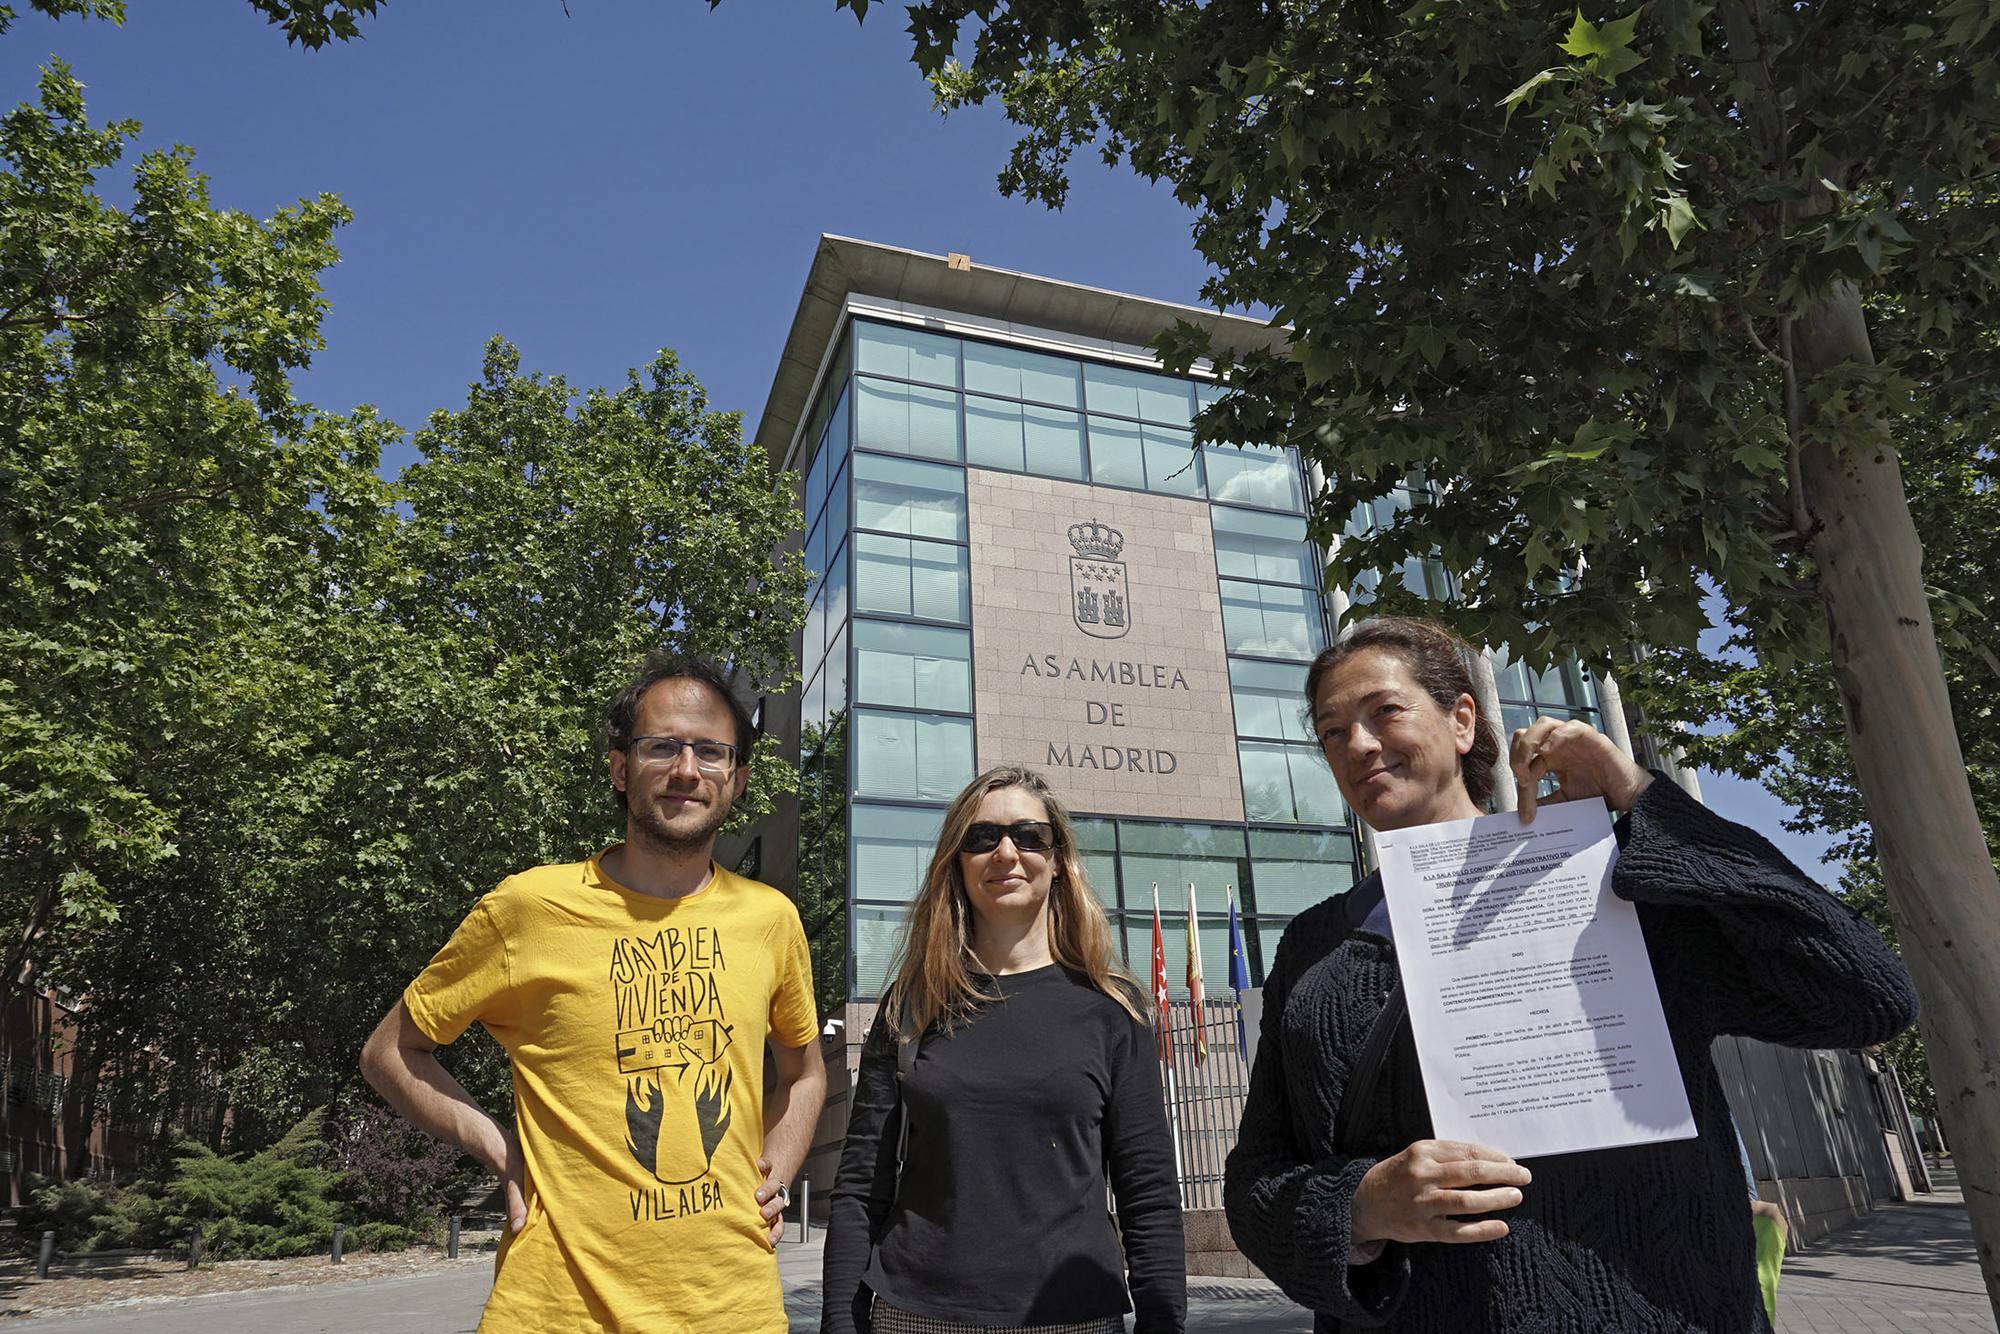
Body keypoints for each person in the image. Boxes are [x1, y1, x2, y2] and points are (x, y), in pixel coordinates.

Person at [1224, 616, 1917, 1334]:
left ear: (1463, 719)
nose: (1358, 745)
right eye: (1332, 731)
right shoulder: (1315, 945)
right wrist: (1362, 1206)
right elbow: (1257, 1183)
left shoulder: (1611, 883)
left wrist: (1642, 795)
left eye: (1384, 712)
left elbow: (1865, 994)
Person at [360, 653, 826, 1333]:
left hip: (733, 1309)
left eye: (711, 752)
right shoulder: (528, 908)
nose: (687, 769)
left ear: (738, 778)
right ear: (619, 768)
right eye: (661, 745)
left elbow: (806, 1074)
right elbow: (392, 1051)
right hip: (555, 1310)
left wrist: (773, 1174)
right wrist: (500, 1148)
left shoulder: (771, 920)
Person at [821, 766, 1186, 1334]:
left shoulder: (1114, 1010)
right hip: (915, 1316)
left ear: (1058, 858)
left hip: (1076, 1318)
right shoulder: (913, 1003)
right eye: (982, 837)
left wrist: (1163, 1321)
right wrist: (839, 1323)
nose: (1007, 852)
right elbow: (860, 1187)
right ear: (957, 862)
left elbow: (1148, 1194)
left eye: (1030, 836)